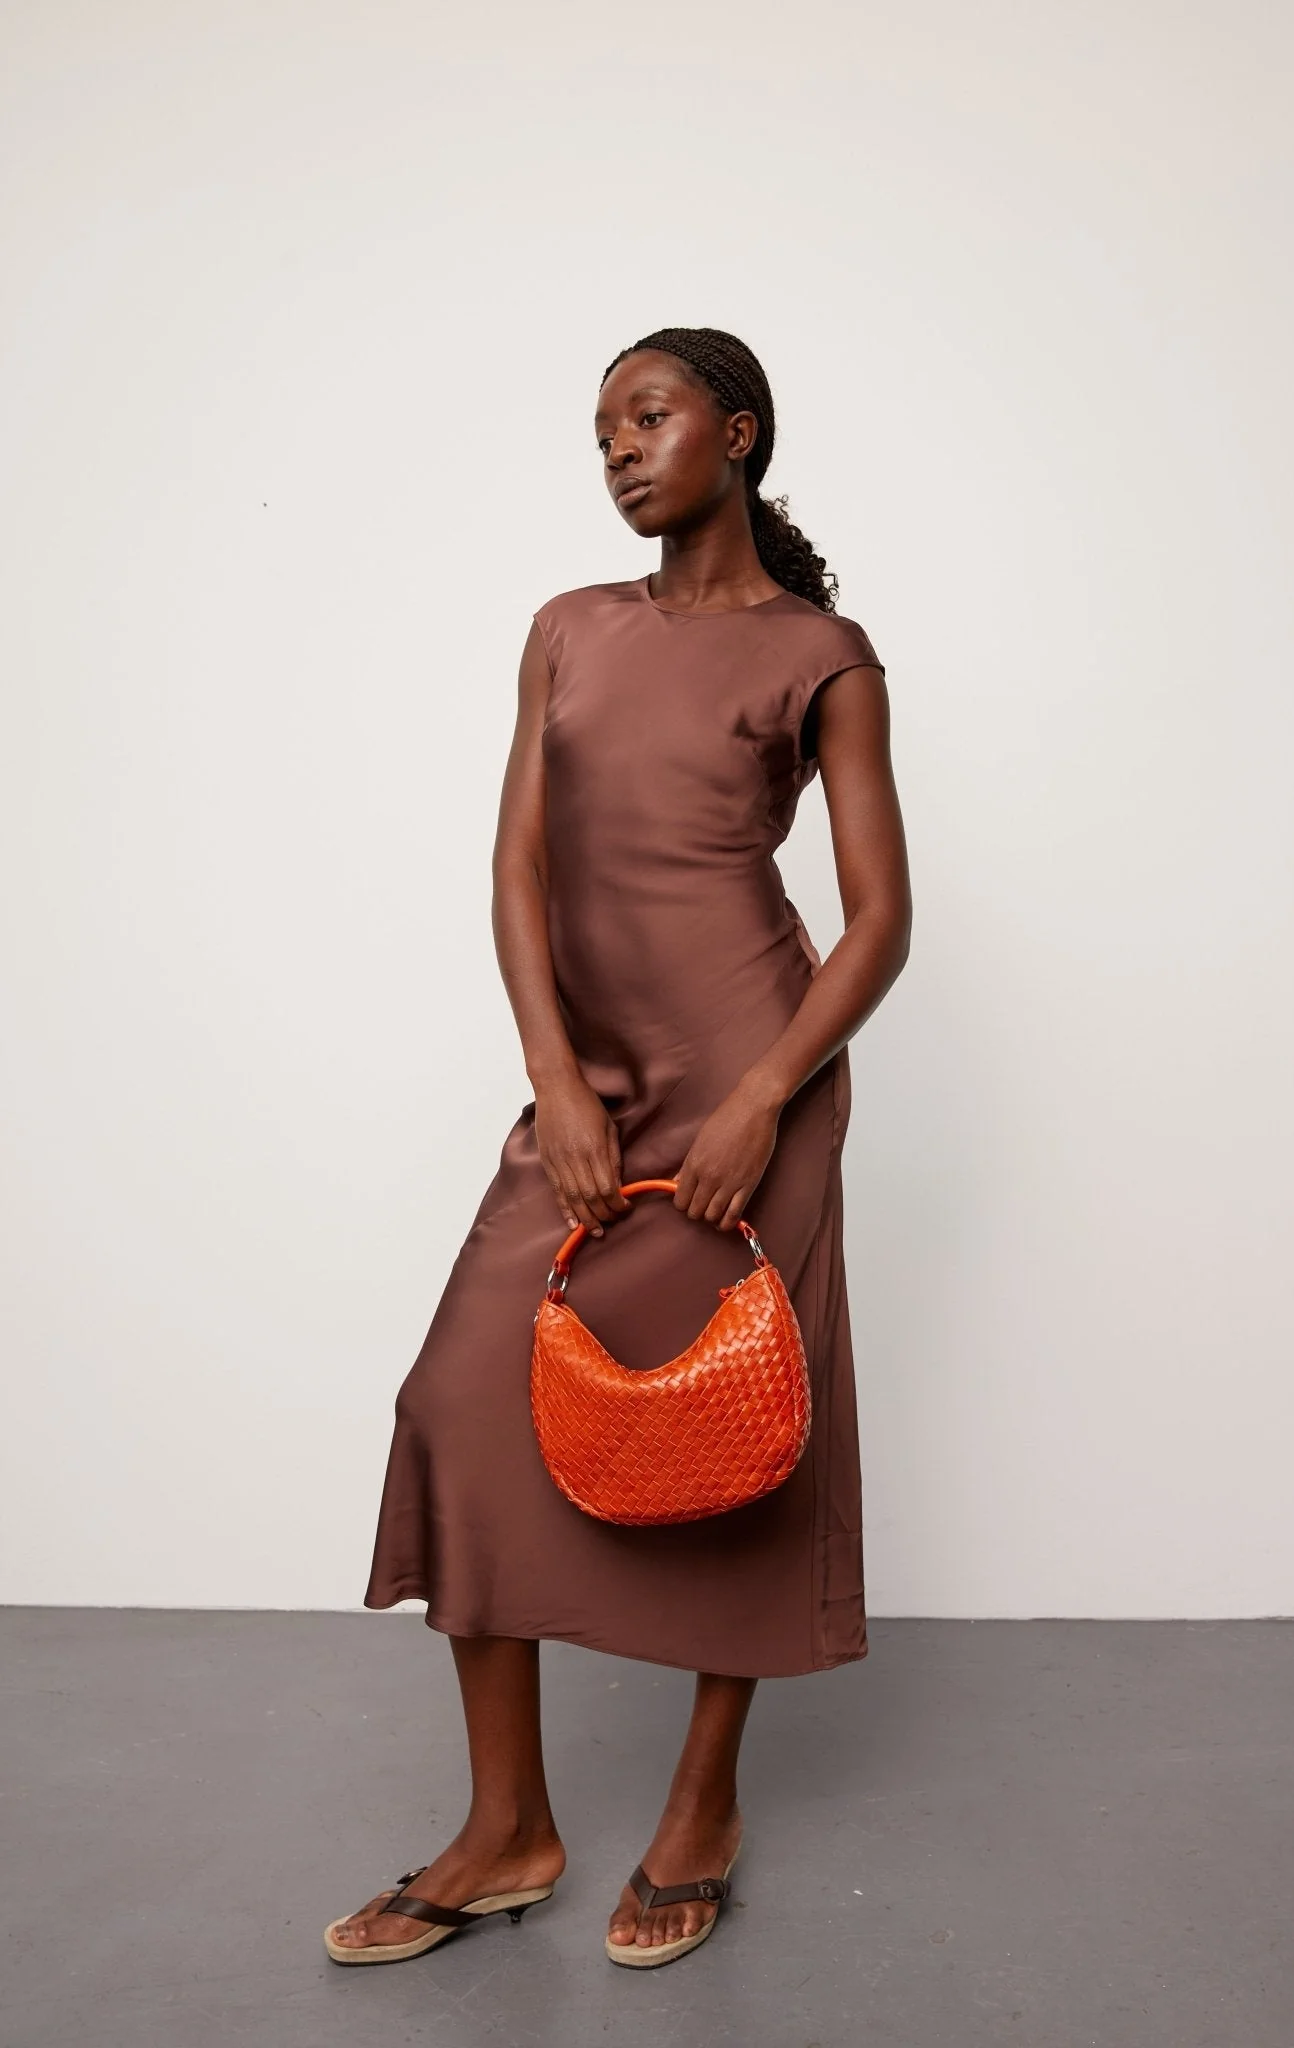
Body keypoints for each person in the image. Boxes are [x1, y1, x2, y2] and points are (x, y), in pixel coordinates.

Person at [324, 326, 913, 1971]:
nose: (621, 454)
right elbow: (518, 864)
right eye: (601, 436)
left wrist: (765, 1096)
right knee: (461, 1400)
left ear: (739, 433)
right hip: (591, 1084)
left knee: (740, 1426)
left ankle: (701, 1807)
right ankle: (507, 1828)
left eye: (648, 419)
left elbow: (880, 920)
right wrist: (556, 1083)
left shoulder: (824, 655)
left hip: (753, 1077)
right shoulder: (570, 629)